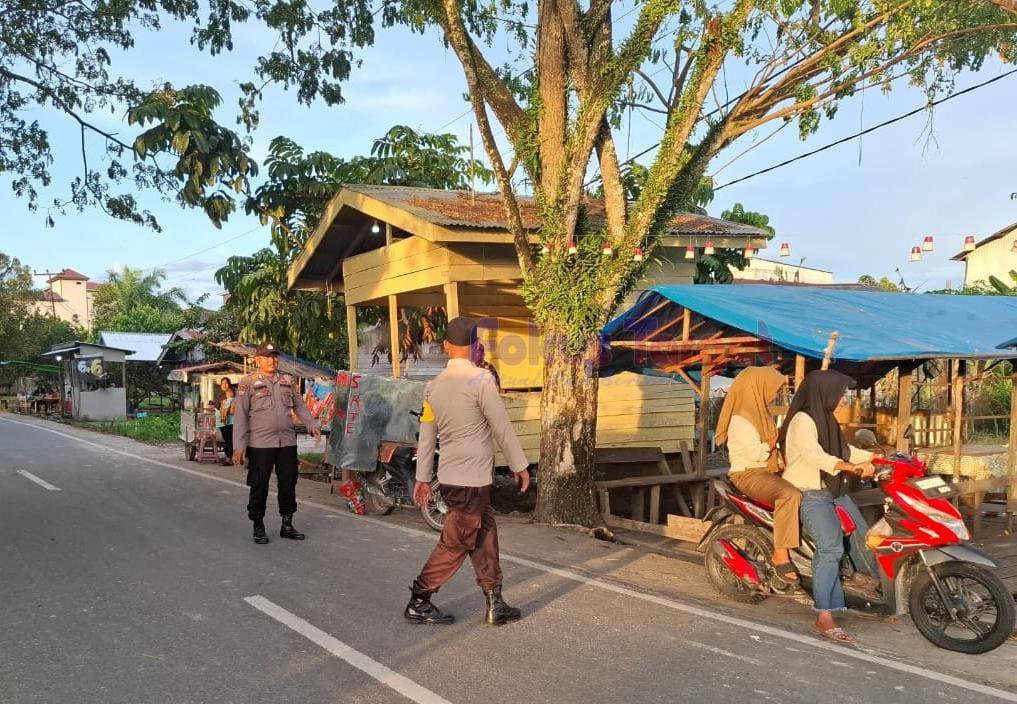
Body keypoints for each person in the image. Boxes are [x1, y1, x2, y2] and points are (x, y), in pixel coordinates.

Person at [405, 316, 530, 627]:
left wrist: (422, 478)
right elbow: (500, 426)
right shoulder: (482, 381)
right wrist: (520, 466)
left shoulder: (432, 388)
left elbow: (426, 436)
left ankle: (495, 601)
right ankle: (419, 599)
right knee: (456, 543)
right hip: (472, 481)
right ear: (476, 346)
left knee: (485, 535)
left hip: (450, 478)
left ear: (446, 346)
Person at [778, 369, 877, 644]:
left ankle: (860, 581)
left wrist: (880, 458)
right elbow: (815, 455)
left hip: (834, 489)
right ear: (826, 392)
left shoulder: (827, 420)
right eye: (841, 394)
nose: (843, 399)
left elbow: (845, 451)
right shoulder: (802, 420)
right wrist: (850, 467)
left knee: (864, 534)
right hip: (810, 492)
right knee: (830, 549)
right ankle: (824, 617)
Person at [715, 367, 802, 582]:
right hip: (748, 474)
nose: (775, 395)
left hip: (765, 471)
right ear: (757, 388)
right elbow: (757, 453)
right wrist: (776, 439)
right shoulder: (741, 418)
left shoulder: (761, 414)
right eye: (773, 389)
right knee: (789, 494)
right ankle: (780, 554)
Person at [232, 342, 322, 544]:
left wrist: (311, 424)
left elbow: (300, 405)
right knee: (259, 485)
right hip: (260, 444)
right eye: (267, 357)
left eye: (274, 357)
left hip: (287, 442)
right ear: (258, 359)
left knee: (288, 483)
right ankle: (258, 525)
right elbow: (240, 417)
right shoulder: (248, 382)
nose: (271, 360)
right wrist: (239, 446)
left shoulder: (287, 381)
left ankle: (287, 524)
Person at [218, 377, 236, 466]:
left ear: (229, 384)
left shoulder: (231, 393)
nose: (224, 385)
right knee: (227, 440)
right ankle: (230, 458)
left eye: (226, 383)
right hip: (222, 422)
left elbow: (229, 407)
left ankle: (230, 459)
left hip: (230, 422)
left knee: (229, 441)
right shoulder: (222, 394)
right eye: (222, 383)